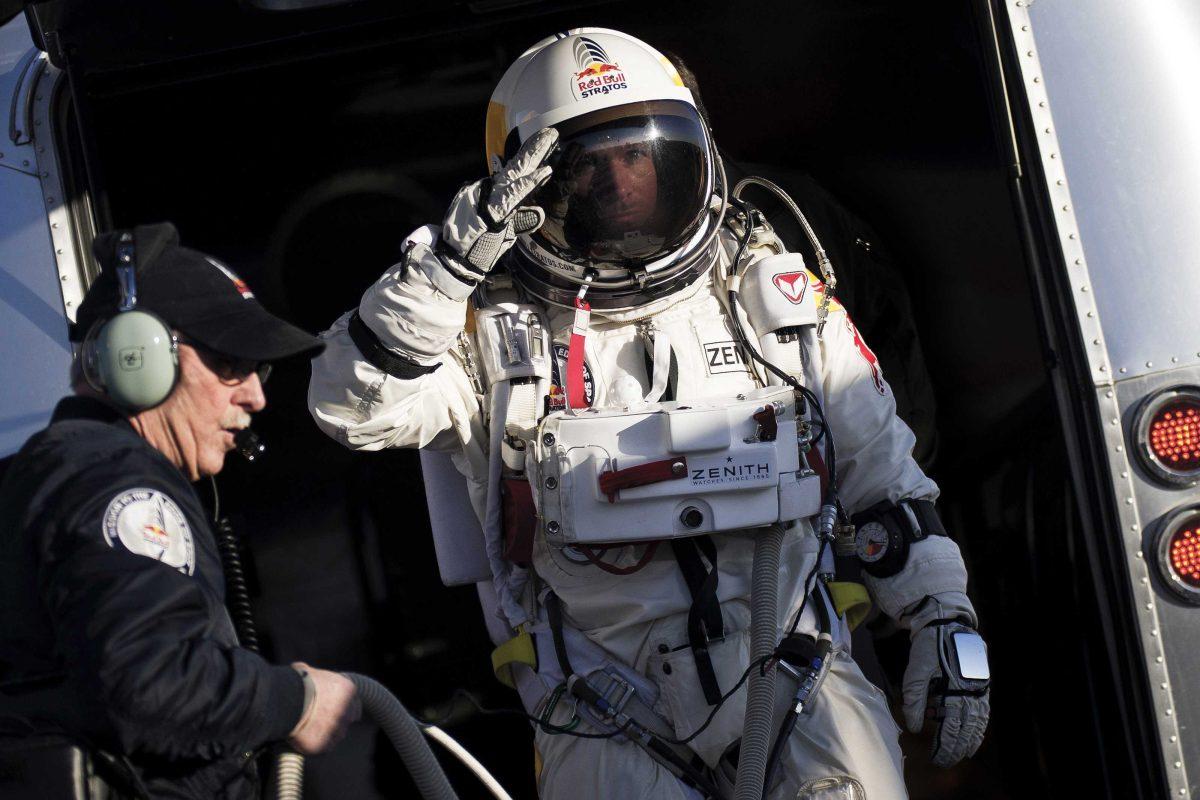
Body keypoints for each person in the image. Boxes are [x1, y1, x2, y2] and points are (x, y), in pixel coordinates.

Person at [309, 28, 989, 799]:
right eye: (590, 163)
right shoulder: (485, 333)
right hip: (606, 710)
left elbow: (885, 477)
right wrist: (447, 270)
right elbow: (351, 406)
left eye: (638, 155)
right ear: (527, 184)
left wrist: (942, 618)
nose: (621, 181)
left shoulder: (766, 294)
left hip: (795, 679)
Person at [0, 223, 360, 799]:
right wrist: (294, 702)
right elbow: (149, 683)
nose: (257, 397)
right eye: (229, 365)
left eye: (260, 371)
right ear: (136, 356)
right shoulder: (109, 477)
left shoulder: (63, 473)